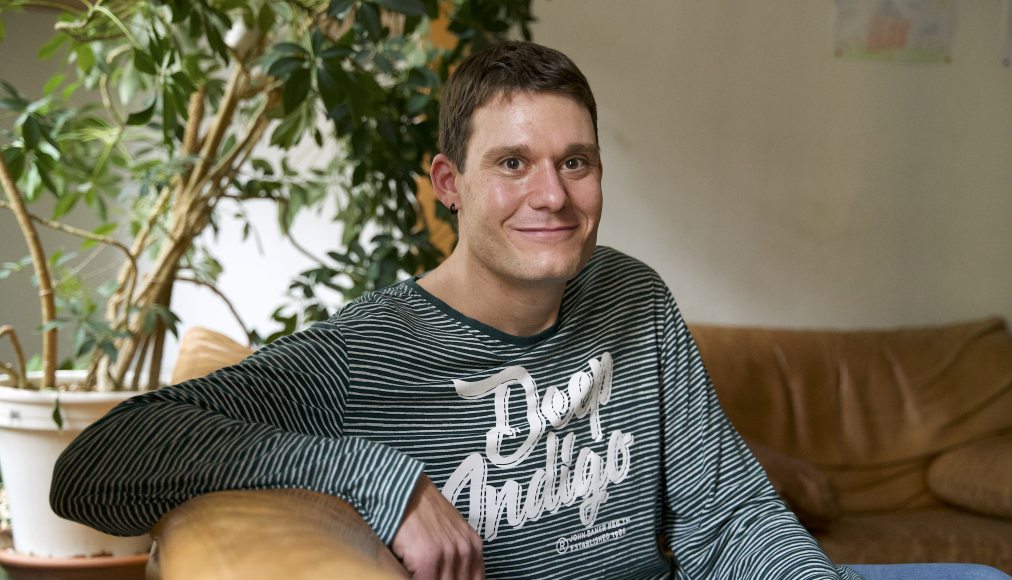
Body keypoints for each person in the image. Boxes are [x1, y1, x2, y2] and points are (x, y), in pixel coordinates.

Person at [50, 42, 1007, 580]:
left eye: (575, 161)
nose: (552, 193)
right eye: (512, 163)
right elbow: (96, 468)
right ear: (447, 184)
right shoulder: (366, 354)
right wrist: (380, 481)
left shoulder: (632, 296)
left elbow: (727, 514)